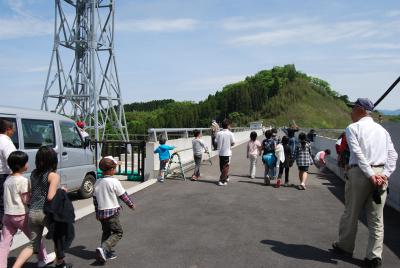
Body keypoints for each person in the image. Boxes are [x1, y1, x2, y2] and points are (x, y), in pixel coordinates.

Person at [332, 98, 398, 268]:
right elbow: (393, 156)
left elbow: (358, 153)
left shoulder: (353, 128)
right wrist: (384, 174)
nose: (351, 111)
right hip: (380, 174)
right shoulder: (382, 131)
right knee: (377, 218)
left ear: (361, 109)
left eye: (353, 108)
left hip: (360, 174)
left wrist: (370, 175)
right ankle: (374, 256)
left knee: (351, 213)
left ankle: (345, 247)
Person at [13, 146, 72, 268]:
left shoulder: (34, 174)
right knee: (59, 237)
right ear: (53, 160)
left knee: (32, 245)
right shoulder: (53, 176)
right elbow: (50, 196)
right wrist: (62, 191)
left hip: (33, 212)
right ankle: (60, 264)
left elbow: (36, 191)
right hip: (46, 213)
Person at [0, 151, 55, 268]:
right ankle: (43, 259)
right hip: (21, 215)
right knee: (35, 238)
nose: (28, 164)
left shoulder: (7, 180)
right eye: (26, 162)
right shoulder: (23, 181)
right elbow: (26, 200)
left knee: (4, 243)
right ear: (21, 166)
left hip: (7, 216)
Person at [94, 156, 135, 263]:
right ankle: (104, 248)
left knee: (106, 231)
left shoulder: (97, 182)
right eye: (115, 168)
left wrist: (97, 213)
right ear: (111, 170)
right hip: (112, 212)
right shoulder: (114, 181)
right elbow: (123, 195)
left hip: (102, 213)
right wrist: (130, 204)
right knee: (118, 232)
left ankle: (105, 252)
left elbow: (95, 200)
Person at [0, 119, 17, 230]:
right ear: (8, 129)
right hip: (2, 175)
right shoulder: (6, 141)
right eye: (13, 129)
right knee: (3, 203)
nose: (14, 132)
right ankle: (3, 226)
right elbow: (13, 160)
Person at [215, 119, 235, 186]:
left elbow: (216, 141)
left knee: (222, 166)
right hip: (227, 152)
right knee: (225, 167)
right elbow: (233, 143)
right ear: (228, 125)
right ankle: (222, 180)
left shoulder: (218, 133)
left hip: (220, 152)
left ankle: (226, 177)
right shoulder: (230, 133)